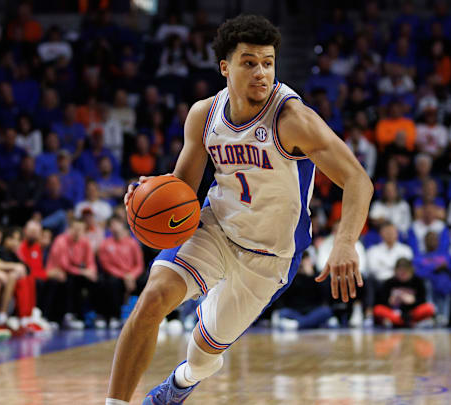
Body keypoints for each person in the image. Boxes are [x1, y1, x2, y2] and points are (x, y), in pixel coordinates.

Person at [106, 15, 372, 405]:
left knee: (202, 355)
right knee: (152, 299)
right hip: (216, 226)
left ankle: (180, 383)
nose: (261, 72)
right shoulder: (204, 115)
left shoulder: (293, 120)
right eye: (249, 62)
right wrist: (147, 196)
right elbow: (182, 191)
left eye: (268, 62)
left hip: (269, 255)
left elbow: (358, 180)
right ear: (225, 67)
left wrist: (346, 243)